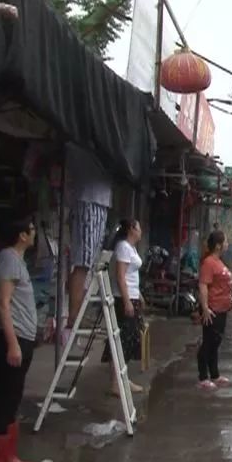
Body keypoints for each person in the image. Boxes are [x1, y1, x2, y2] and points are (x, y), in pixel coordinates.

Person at [0, 215, 37, 462]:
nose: (35, 231)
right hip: (11, 338)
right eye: (31, 228)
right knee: (4, 399)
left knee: (13, 398)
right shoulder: (7, 258)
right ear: (22, 235)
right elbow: (2, 304)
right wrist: (13, 342)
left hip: (22, 337)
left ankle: (8, 456)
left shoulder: (17, 260)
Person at [64, 144, 112, 343]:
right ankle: (74, 316)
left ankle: (79, 314)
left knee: (90, 262)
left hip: (99, 200)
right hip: (88, 200)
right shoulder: (83, 142)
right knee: (83, 261)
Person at [101, 219, 144, 396]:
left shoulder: (131, 248)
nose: (141, 231)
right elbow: (120, 276)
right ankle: (115, 382)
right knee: (123, 340)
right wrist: (126, 301)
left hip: (132, 296)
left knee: (129, 339)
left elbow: (132, 275)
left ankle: (123, 378)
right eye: (139, 228)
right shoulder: (123, 247)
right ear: (132, 229)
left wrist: (138, 295)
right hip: (123, 298)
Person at [197, 230, 232, 390]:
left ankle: (215, 374)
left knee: (216, 342)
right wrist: (205, 308)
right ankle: (203, 377)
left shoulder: (219, 261)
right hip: (212, 308)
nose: (227, 244)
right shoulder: (209, 262)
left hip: (222, 308)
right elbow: (203, 285)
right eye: (225, 242)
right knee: (209, 342)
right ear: (218, 246)